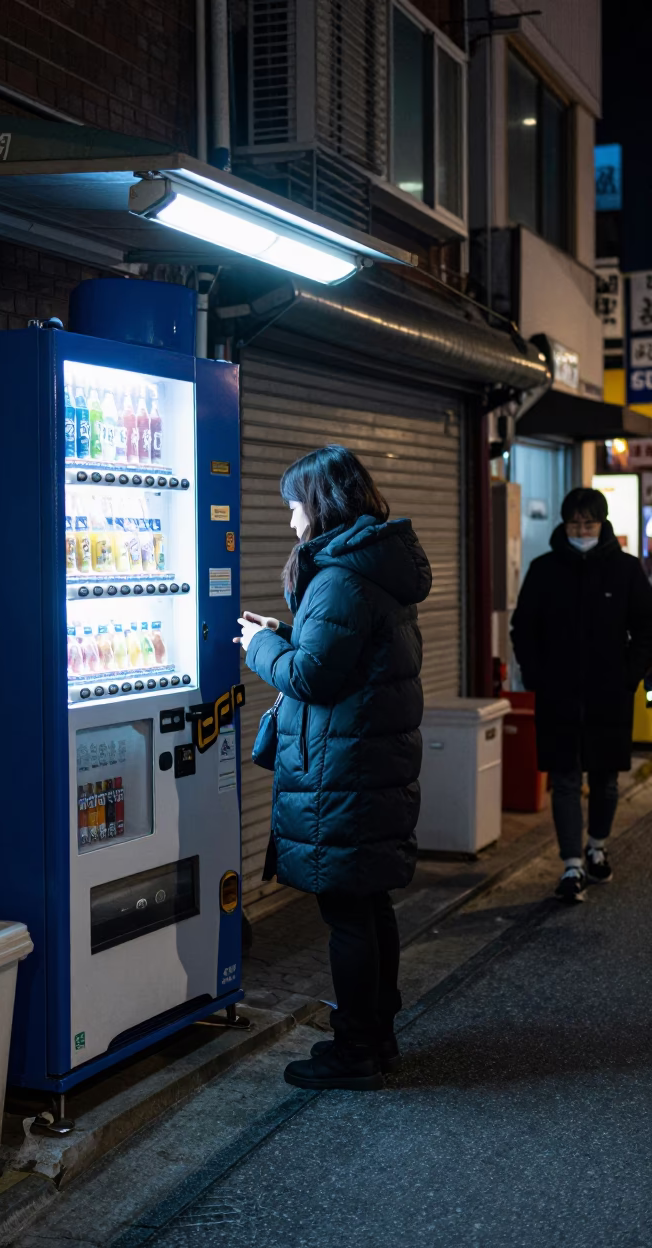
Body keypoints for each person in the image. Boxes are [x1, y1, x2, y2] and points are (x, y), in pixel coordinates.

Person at [234, 445, 431, 1091]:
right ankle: (378, 1037)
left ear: (319, 505)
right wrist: (288, 634)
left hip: (343, 772)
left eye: (293, 505)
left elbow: (315, 676)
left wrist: (261, 645)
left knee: (348, 912)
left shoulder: (340, 578)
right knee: (369, 906)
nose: (290, 520)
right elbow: (348, 661)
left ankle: (355, 1053)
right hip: (367, 762)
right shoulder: (372, 568)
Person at [511, 486, 652, 903]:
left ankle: (597, 847)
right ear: (564, 523)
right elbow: (524, 628)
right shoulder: (544, 569)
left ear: (601, 524)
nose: (582, 530)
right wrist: (535, 674)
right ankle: (572, 864)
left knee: (606, 779)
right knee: (566, 778)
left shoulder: (626, 570)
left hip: (610, 693)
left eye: (589, 523)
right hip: (559, 694)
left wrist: (630, 675)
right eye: (575, 523)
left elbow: (647, 627)